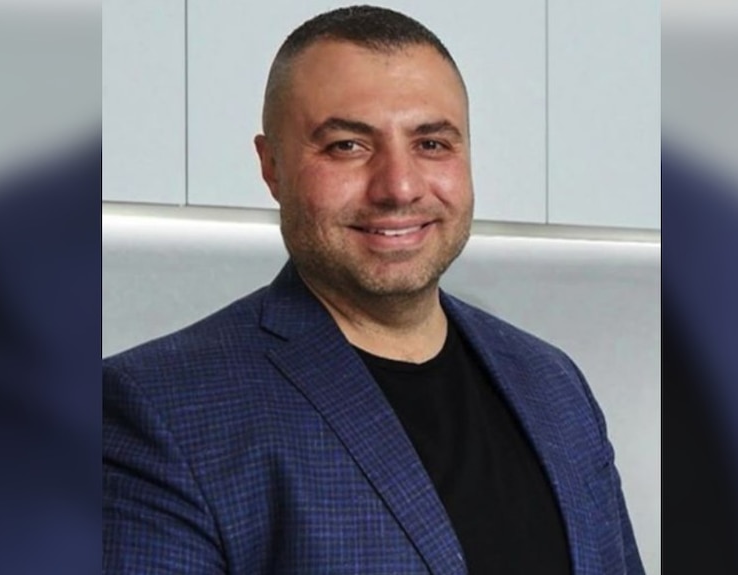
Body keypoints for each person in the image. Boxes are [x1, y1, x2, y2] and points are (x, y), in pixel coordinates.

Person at [103, 6, 644, 574]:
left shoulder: (553, 384)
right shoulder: (156, 411)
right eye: (347, 145)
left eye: (431, 143)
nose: (399, 187)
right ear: (272, 167)